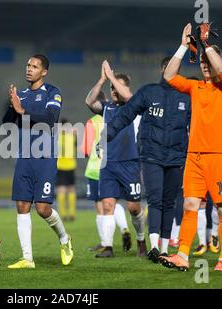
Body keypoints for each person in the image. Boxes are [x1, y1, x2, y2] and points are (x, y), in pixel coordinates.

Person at [161, 23, 222, 272]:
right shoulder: (195, 87)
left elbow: (220, 68)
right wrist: (184, 47)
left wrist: (205, 45)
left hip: (219, 156)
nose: (205, 65)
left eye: (208, 61)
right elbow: (169, 76)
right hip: (194, 156)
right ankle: (182, 255)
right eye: (202, 62)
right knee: (190, 205)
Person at [105, 56, 191, 263]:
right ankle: (153, 246)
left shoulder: (186, 97)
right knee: (155, 200)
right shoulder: (148, 92)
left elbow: (197, 126)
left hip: (176, 156)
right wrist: (107, 134)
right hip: (151, 155)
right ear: (163, 69)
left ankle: (163, 249)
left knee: (169, 203)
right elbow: (126, 113)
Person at [3, 54, 73, 269]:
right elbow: (7, 123)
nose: (29, 69)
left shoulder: (53, 92)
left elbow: (51, 119)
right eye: (27, 65)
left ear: (44, 72)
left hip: (44, 157)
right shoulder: (21, 94)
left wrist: (22, 110)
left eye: (34, 66)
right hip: (24, 156)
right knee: (22, 205)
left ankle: (64, 238)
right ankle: (27, 258)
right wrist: (12, 106)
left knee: (42, 208)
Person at [85, 60, 146, 258]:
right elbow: (89, 101)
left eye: (115, 86)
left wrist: (111, 76)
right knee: (108, 204)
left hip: (129, 162)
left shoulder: (134, 104)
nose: (112, 90)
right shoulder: (107, 107)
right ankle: (108, 247)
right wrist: (102, 79)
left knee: (134, 208)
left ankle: (141, 239)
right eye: (111, 87)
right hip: (108, 163)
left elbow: (128, 96)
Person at [81, 106, 132, 253]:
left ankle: (105, 242)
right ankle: (124, 228)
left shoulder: (93, 122)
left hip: (95, 169)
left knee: (100, 207)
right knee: (112, 202)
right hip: (115, 165)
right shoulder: (117, 119)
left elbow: (85, 150)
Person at [56, 118, 78, 222]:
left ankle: (63, 214)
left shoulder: (57, 137)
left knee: (61, 190)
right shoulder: (72, 136)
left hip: (60, 166)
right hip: (71, 165)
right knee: (71, 189)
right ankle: (72, 213)